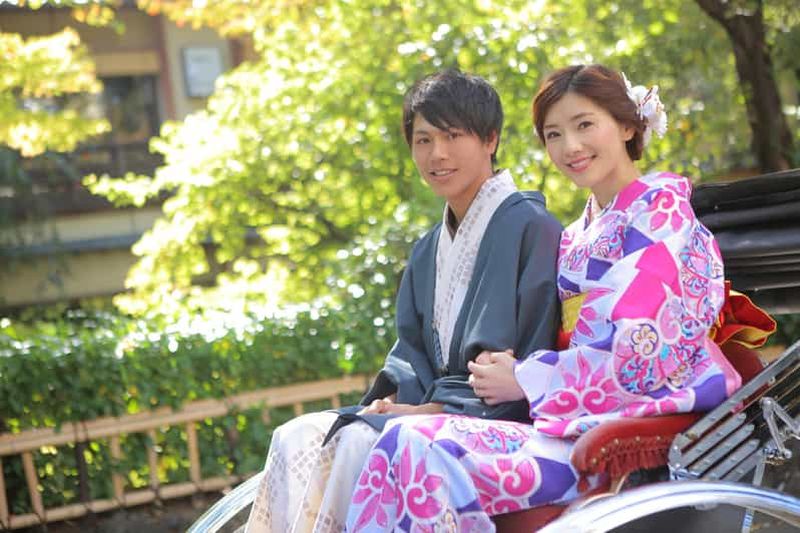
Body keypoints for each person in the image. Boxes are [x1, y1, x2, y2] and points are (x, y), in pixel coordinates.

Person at [343, 64, 742, 532]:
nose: (570, 146)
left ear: (628, 126)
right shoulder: (575, 234)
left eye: (584, 125)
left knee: (418, 444)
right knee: (397, 439)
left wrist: (527, 378)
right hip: (568, 421)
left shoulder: (661, 212)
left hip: (628, 425)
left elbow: (642, 353)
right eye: (554, 134)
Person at [244, 69, 563, 532]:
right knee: (297, 434)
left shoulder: (533, 228)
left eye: (453, 136)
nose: (437, 154)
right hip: (432, 413)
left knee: (356, 443)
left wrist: (421, 411)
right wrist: (391, 401)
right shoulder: (428, 249)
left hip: (500, 419)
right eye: (423, 140)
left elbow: (528, 358)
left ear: (491, 139)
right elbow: (410, 357)